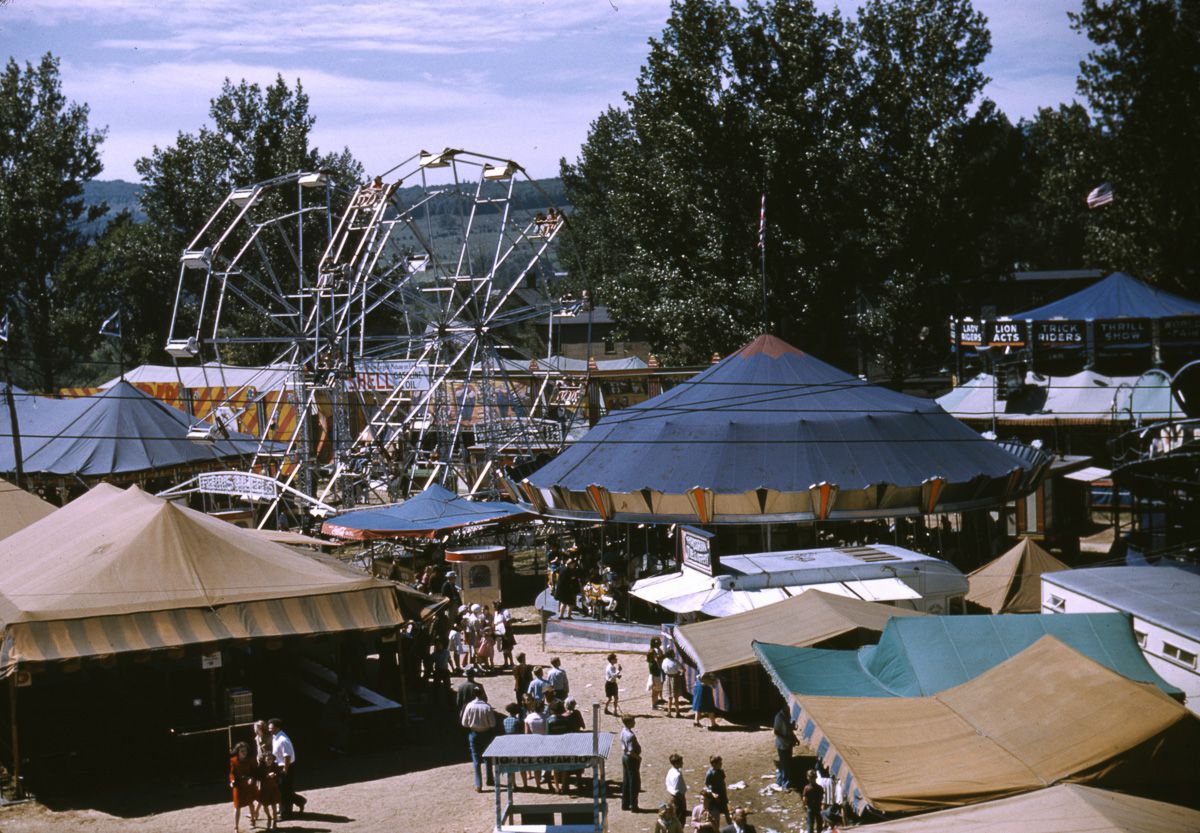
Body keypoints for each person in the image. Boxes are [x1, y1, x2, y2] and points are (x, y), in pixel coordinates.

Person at [268, 718, 306, 819]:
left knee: (285, 790)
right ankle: (299, 801)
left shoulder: (283, 740)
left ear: (277, 727)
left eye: (271, 728)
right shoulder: (275, 737)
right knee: (282, 790)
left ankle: (286, 813)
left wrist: (285, 769)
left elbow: (287, 756)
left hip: (286, 767)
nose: (269, 730)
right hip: (279, 766)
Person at [461, 689, 497, 792]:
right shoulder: (487, 707)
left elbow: (464, 723)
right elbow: (492, 723)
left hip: (474, 733)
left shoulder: (469, 706)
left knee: (476, 759)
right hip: (486, 733)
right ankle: (490, 779)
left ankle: (478, 784)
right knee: (488, 757)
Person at [229, 741, 259, 833]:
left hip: (248, 784)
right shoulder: (233, 761)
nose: (244, 753)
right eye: (242, 751)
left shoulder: (250, 760)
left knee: (250, 803)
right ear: (238, 751)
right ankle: (236, 827)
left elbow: (255, 772)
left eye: (245, 751)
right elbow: (231, 773)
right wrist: (232, 781)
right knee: (237, 806)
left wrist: (252, 778)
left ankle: (253, 821)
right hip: (238, 785)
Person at [772, 705, 798, 790]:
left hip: (788, 744)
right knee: (785, 764)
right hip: (782, 745)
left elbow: (790, 729)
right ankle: (785, 784)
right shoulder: (779, 717)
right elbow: (776, 731)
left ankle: (781, 781)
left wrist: (795, 738)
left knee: (785, 763)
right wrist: (787, 739)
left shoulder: (787, 716)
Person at [619, 715, 641, 812]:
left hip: (625, 757)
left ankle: (625, 804)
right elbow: (631, 751)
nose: (634, 723)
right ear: (628, 723)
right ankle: (634, 805)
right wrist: (638, 757)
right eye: (632, 721)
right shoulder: (631, 736)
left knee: (626, 780)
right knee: (634, 782)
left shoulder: (623, 731)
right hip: (631, 758)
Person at [257, 752, 282, 830]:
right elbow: (259, 777)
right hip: (265, 789)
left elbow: (279, 774)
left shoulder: (275, 766)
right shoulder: (261, 767)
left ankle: (274, 822)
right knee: (265, 806)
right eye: (268, 759)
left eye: (271, 759)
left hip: (273, 788)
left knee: (274, 806)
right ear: (264, 760)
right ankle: (269, 817)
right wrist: (267, 776)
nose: (269, 761)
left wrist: (275, 775)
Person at [704, 756, 730, 824]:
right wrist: (712, 793)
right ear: (714, 764)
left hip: (722, 794)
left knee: (727, 812)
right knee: (715, 813)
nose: (721, 764)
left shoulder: (721, 771)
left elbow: (723, 781)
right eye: (719, 763)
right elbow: (707, 784)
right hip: (715, 796)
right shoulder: (709, 773)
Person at [665, 753, 687, 823]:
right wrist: (683, 801)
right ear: (676, 763)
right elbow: (677, 791)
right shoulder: (677, 775)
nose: (682, 763)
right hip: (678, 798)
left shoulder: (671, 771)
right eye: (681, 762)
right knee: (680, 819)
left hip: (672, 797)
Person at [662, 653, 685, 718]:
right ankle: (677, 712)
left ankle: (669, 712)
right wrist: (681, 673)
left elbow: (663, 668)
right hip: (675, 678)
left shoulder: (664, 661)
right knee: (676, 696)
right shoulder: (675, 662)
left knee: (670, 696)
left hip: (667, 677)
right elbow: (683, 669)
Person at [646, 638, 665, 709]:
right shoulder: (652, 664)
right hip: (655, 677)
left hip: (656, 676)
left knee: (656, 691)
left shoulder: (653, 662)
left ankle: (655, 703)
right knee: (654, 692)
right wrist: (653, 682)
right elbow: (652, 674)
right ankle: (653, 705)